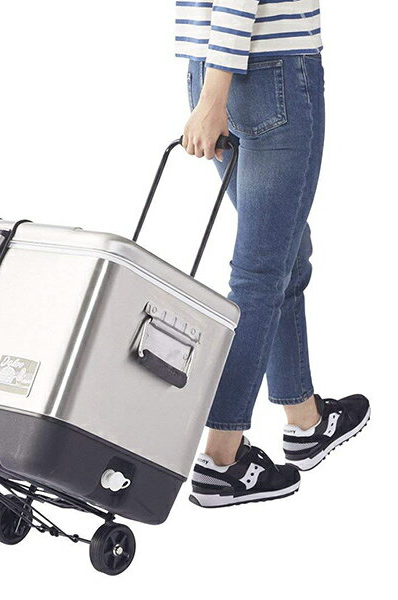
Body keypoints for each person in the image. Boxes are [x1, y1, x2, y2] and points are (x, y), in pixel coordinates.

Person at [176, 0, 370, 507]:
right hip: (269, 70)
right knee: (260, 275)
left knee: (287, 251)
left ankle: (305, 420)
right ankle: (222, 461)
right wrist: (215, 96)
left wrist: (210, 87)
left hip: (208, 64)